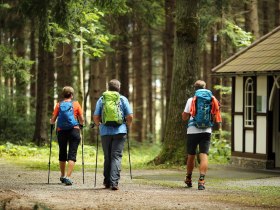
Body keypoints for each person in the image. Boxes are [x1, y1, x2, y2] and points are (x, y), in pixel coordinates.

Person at [93, 79, 133, 190]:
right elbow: (130, 116)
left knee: (107, 156)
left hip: (105, 132)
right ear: (118, 88)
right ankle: (114, 183)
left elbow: (96, 117)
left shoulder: (102, 99)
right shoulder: (123, 99)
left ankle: (107, 182)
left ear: (108, 87)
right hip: (120, 131)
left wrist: (99, 124)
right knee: (116, 156)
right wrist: (127, 126)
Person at [182, 80, 221, 190]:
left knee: (191, 155)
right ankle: (202, 181)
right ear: (205, 87)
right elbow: (214, 115)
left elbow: (185, 117)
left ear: (195, 88)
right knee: (203, 155)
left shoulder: (191, 100)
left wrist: (186, 114)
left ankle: (188, 179)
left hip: (192, 130)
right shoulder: (211, 99)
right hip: (206, 130)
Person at [50, 86, 84, 186]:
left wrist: (51, 123)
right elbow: (81, 118)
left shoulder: (58, 105)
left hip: (61, 131)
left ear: (63, 95)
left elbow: (53, 119)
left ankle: (62, 175)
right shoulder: (76, 104)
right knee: (72, 154)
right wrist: (81, 125)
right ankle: (68, 177)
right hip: (74, 130)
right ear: (72, 95)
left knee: (62, 152)